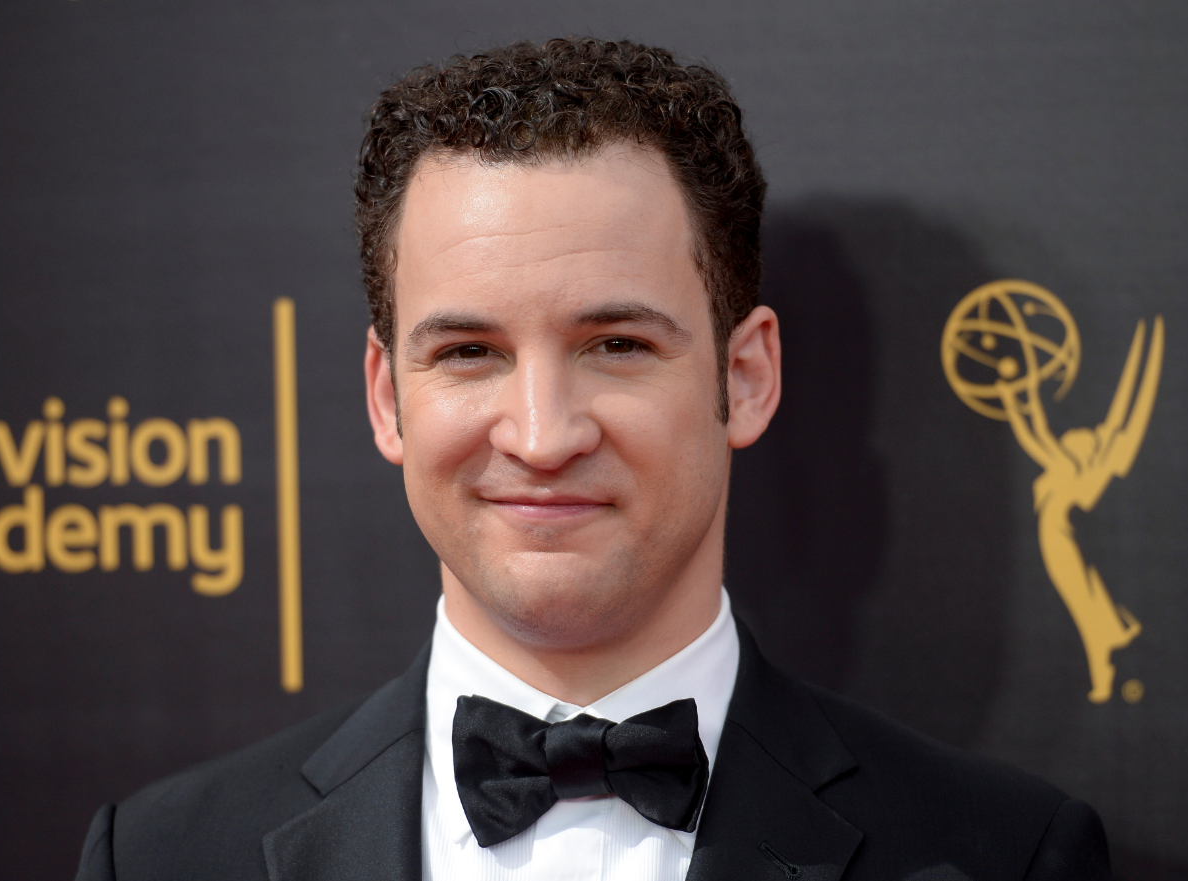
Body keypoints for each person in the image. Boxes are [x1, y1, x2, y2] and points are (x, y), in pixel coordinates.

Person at [75, 37, 1112, 881]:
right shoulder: (165, 856)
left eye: (615, 345)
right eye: (469, 351)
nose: (541, 433)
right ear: (388, 397)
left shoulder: (1009, 855)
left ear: (744, 377)